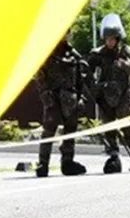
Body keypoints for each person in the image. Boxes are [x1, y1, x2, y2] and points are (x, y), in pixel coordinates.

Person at [87, 14, 130, 174]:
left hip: (124, 97)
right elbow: (86, 74)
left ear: (118, 38)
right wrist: (95, 90)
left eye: (113, 39)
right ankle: (113, 157)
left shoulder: (127, 53)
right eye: (107, 39)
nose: (110, 42)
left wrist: (128, 67)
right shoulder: (97, 54)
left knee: (128, 128)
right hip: (104, 98)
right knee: (109, 128)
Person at [32, 32, 88, 177]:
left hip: (70, 99)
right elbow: (40, 77)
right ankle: (43, 164)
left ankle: (67, 162)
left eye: (66, 32)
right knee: (49, 131)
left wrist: (81, 98)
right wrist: (45, 95)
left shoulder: (73, 54)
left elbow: (80, 79)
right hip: (53, 98)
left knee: (70, 132)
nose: (64, 35)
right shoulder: (47, 52)